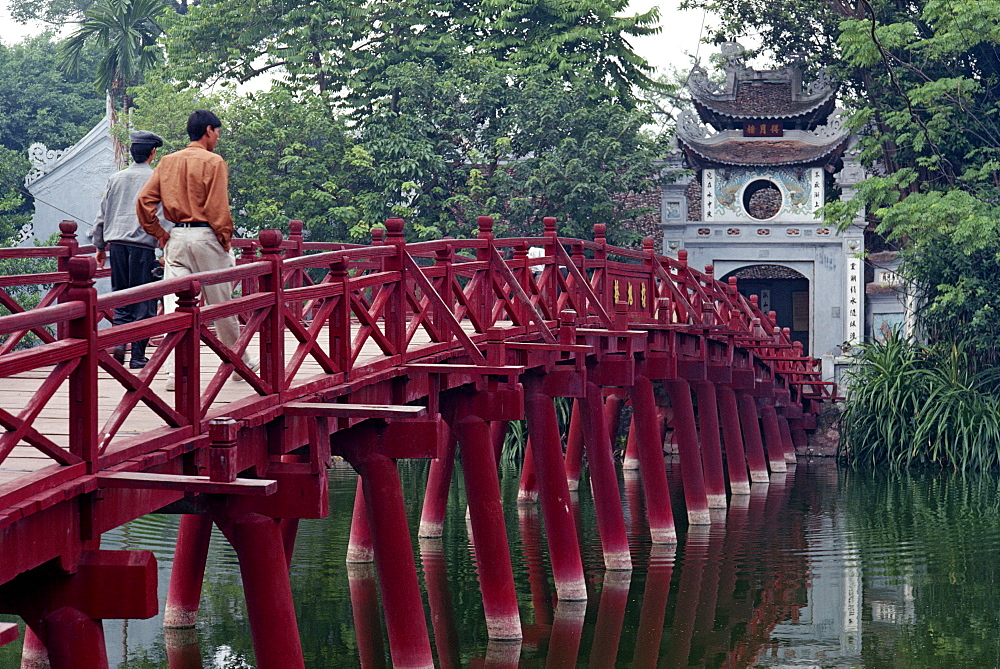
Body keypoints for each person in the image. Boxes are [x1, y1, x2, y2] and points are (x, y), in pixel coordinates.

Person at [137, 110, 258, 390]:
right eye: (217, 132)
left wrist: (161, 234)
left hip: (177, 237)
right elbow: (218, 209)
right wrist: (225, 240)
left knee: (174, 307)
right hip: (206, 236)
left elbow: (144, 201)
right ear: (208, 130)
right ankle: (239, 362)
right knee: (222, 305)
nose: (218, 137)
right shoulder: (213, 161)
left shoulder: (167, 162)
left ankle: (172, 374)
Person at [93, 130, 166, 369]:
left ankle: (119, 344)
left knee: (121, 296)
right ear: (152, 153)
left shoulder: (116, 178)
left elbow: (103, 213)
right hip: (143, 246)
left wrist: (100, 245)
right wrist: (165, 245)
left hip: (117, 247)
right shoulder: (157, 178)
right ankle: (137, 355)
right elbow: (165, 216)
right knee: (143, 301)